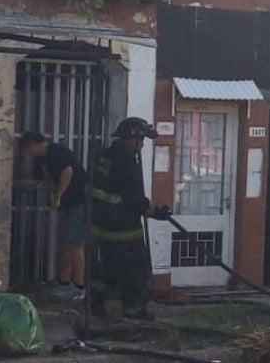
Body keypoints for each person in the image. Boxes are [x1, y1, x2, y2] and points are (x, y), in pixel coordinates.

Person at [90, 117, 170, 320]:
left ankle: (95, 303)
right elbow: (134, 198)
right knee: (136, 270)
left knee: (109, 268)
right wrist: (157, 212)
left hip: (103, 225)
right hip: (125, 228)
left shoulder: (104, 156)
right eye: (141, 140)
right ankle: (134, 310)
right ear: (131, 138)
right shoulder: (126, 161)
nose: (142, 145)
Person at [18, 132, 88, 299]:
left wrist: (58, 195)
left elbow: (68, 171)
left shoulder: (56, 151)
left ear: (35, 144)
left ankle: (79, 286)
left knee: (75, 244)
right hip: (66, 204)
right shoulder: (41, 160)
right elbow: (37, 179)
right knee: (66, 243)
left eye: (28, 150)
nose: (28, 154)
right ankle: (64, 283)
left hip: (78, 201)